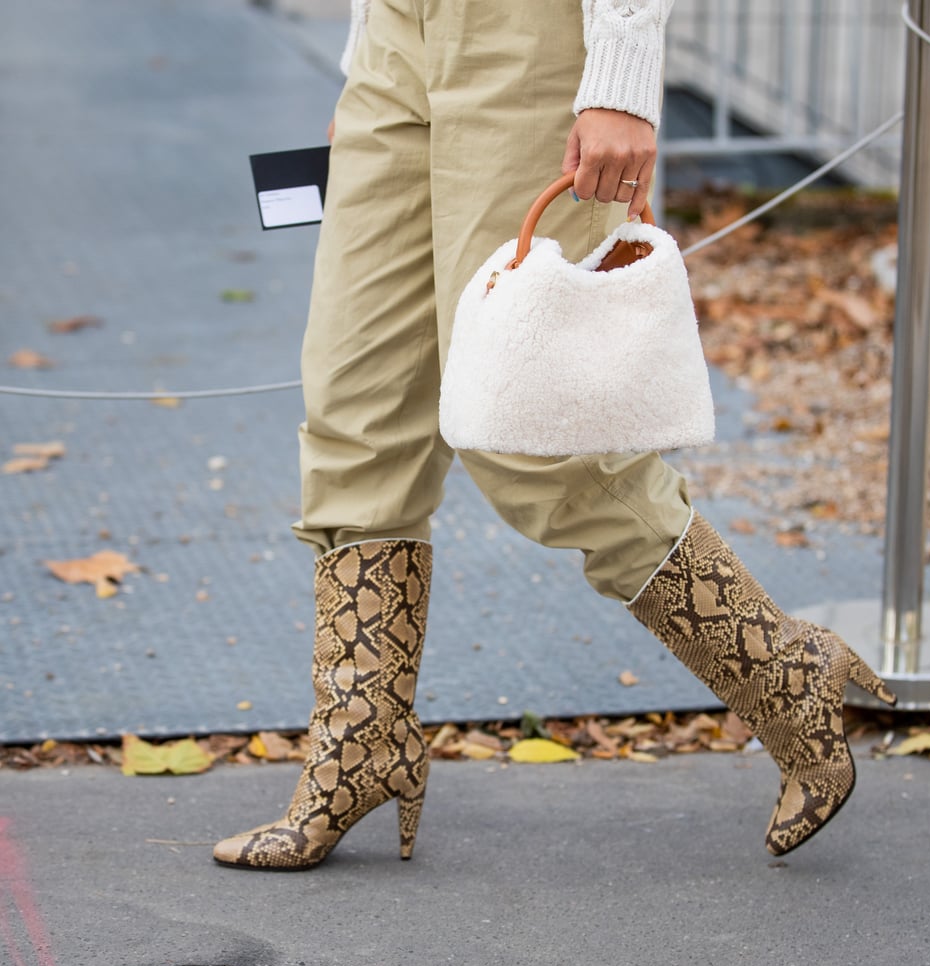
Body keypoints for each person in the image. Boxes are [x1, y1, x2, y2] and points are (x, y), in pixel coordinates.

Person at [213, 0, 895, 871]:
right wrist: (366, 50)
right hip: (395, 38)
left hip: (529, 37)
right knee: (355, 401)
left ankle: (780, 669)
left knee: (532, 429)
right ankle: (361, 743)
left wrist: (621, 73)